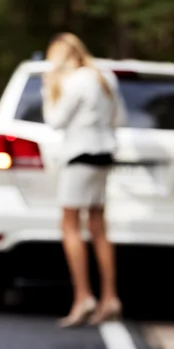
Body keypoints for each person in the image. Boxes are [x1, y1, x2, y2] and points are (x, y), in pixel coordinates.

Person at [42, 33, 126, 328]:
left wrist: (48, 88)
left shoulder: (74, 81)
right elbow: (121, 118)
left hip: (80, 156)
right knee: (98, 225)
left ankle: (83, 297)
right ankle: (111, 297)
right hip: (104, 155)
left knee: (69, 225)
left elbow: (55, 120)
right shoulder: (105, 78)